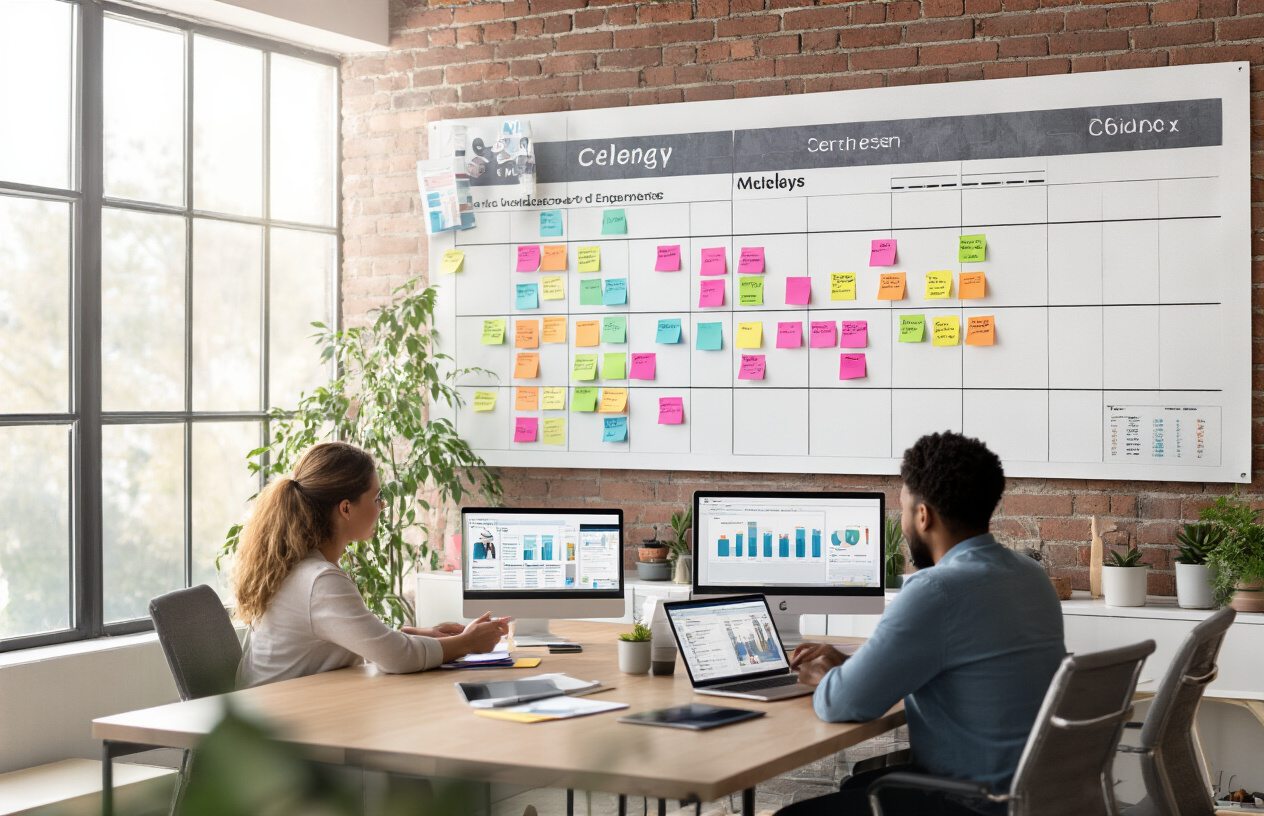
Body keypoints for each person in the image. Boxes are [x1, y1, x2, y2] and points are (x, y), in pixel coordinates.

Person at [779, 432, 1066, 816]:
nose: (902, 522)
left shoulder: (935, 590)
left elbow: (843, 704)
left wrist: (827, 675)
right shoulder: (1030, 575)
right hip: (1034, 793)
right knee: (860, 784)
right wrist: (852, 665)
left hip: (973, 803)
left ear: (923, 515)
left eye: (902, 508)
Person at [233, 441, 508, 688]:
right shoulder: (319, 581)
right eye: (377, 499)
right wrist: (467, 643)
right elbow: (397, 658)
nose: (382, 507)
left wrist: (415, 636)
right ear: (346, 508)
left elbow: (353, 639)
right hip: (277, 734)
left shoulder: (303, 568)